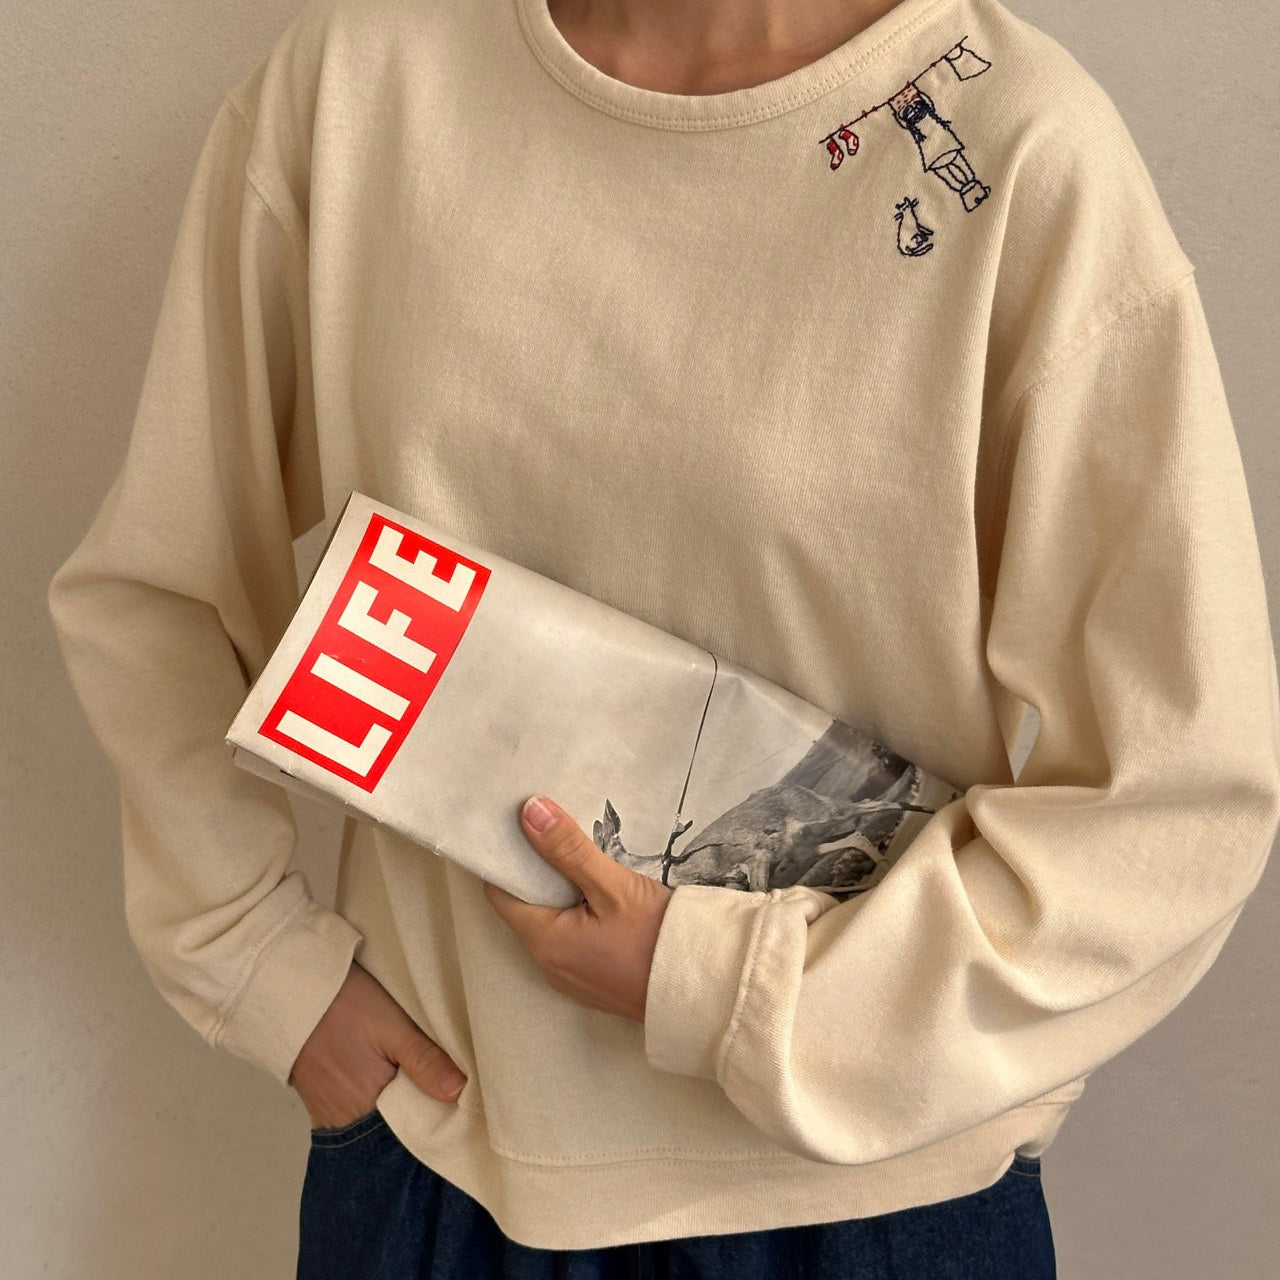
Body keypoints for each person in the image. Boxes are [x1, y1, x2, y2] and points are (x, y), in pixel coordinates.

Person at [46, 0, 1280, 1276]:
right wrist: (261, 964)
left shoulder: (1020, 146)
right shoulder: (362, 84)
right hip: (447, 1155)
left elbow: (1178, 795)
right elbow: (157, 586)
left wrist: (726, 985)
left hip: (877, 1191)